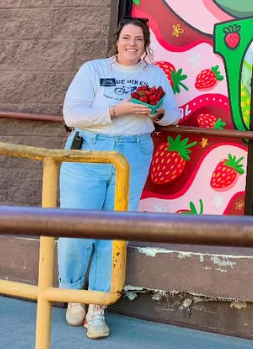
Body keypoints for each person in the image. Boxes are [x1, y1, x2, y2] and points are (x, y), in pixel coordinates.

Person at [59, 17, 181, 339]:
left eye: (139, 39)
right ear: (117, 40)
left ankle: (98, 306)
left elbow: (173, 113)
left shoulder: (154, 74)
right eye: (127, 37)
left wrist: (155, 113)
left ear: (146, 44)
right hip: (89, 152)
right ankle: (73, 296)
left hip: (134, 154)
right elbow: (72, 115)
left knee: (114, 230)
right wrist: (119, 110)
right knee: (75, 225)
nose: (132, 44)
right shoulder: (93, 70)